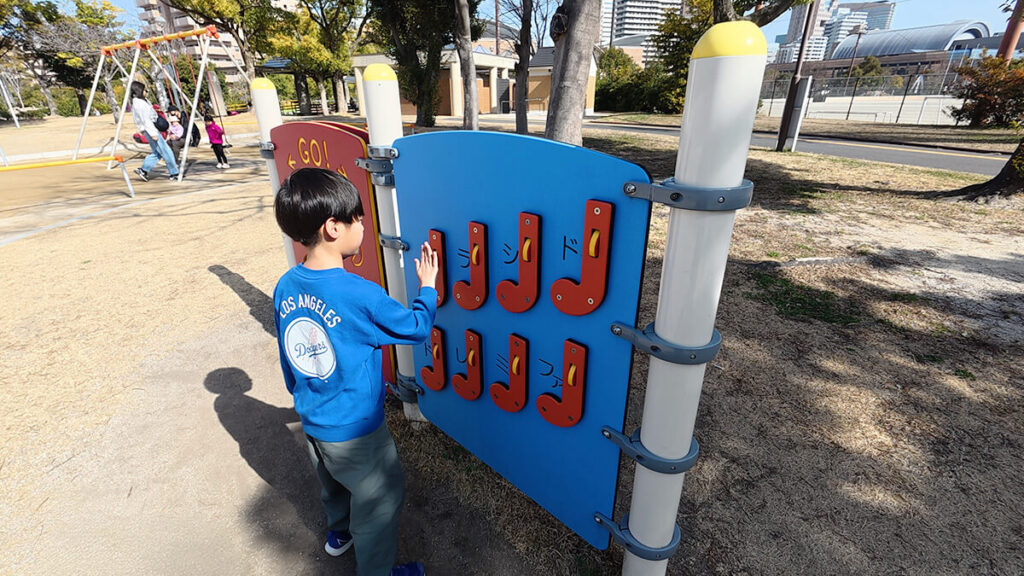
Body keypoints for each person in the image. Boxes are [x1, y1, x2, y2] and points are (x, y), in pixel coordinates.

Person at [272, 168, 435, 576]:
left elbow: (287, 352)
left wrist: (300, 396)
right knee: (380, 498)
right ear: (332, 227)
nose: (362, 224)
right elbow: (414, 329)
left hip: (313, 416)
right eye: (357, 218)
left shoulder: (286, 285)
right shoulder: (359, 295)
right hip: (358, 430)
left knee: (332, 481)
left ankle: (338, 534)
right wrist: (427, 288)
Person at [130, 81, 179, 181]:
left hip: (149, 130)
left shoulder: (140, 102)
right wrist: (153, 134)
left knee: (158, 152)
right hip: (150, 130)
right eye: (144, 90)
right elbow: (146, 119)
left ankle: (144, 169)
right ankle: (174, 172)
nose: (145, 92)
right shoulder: (140, 104)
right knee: (166, 150)